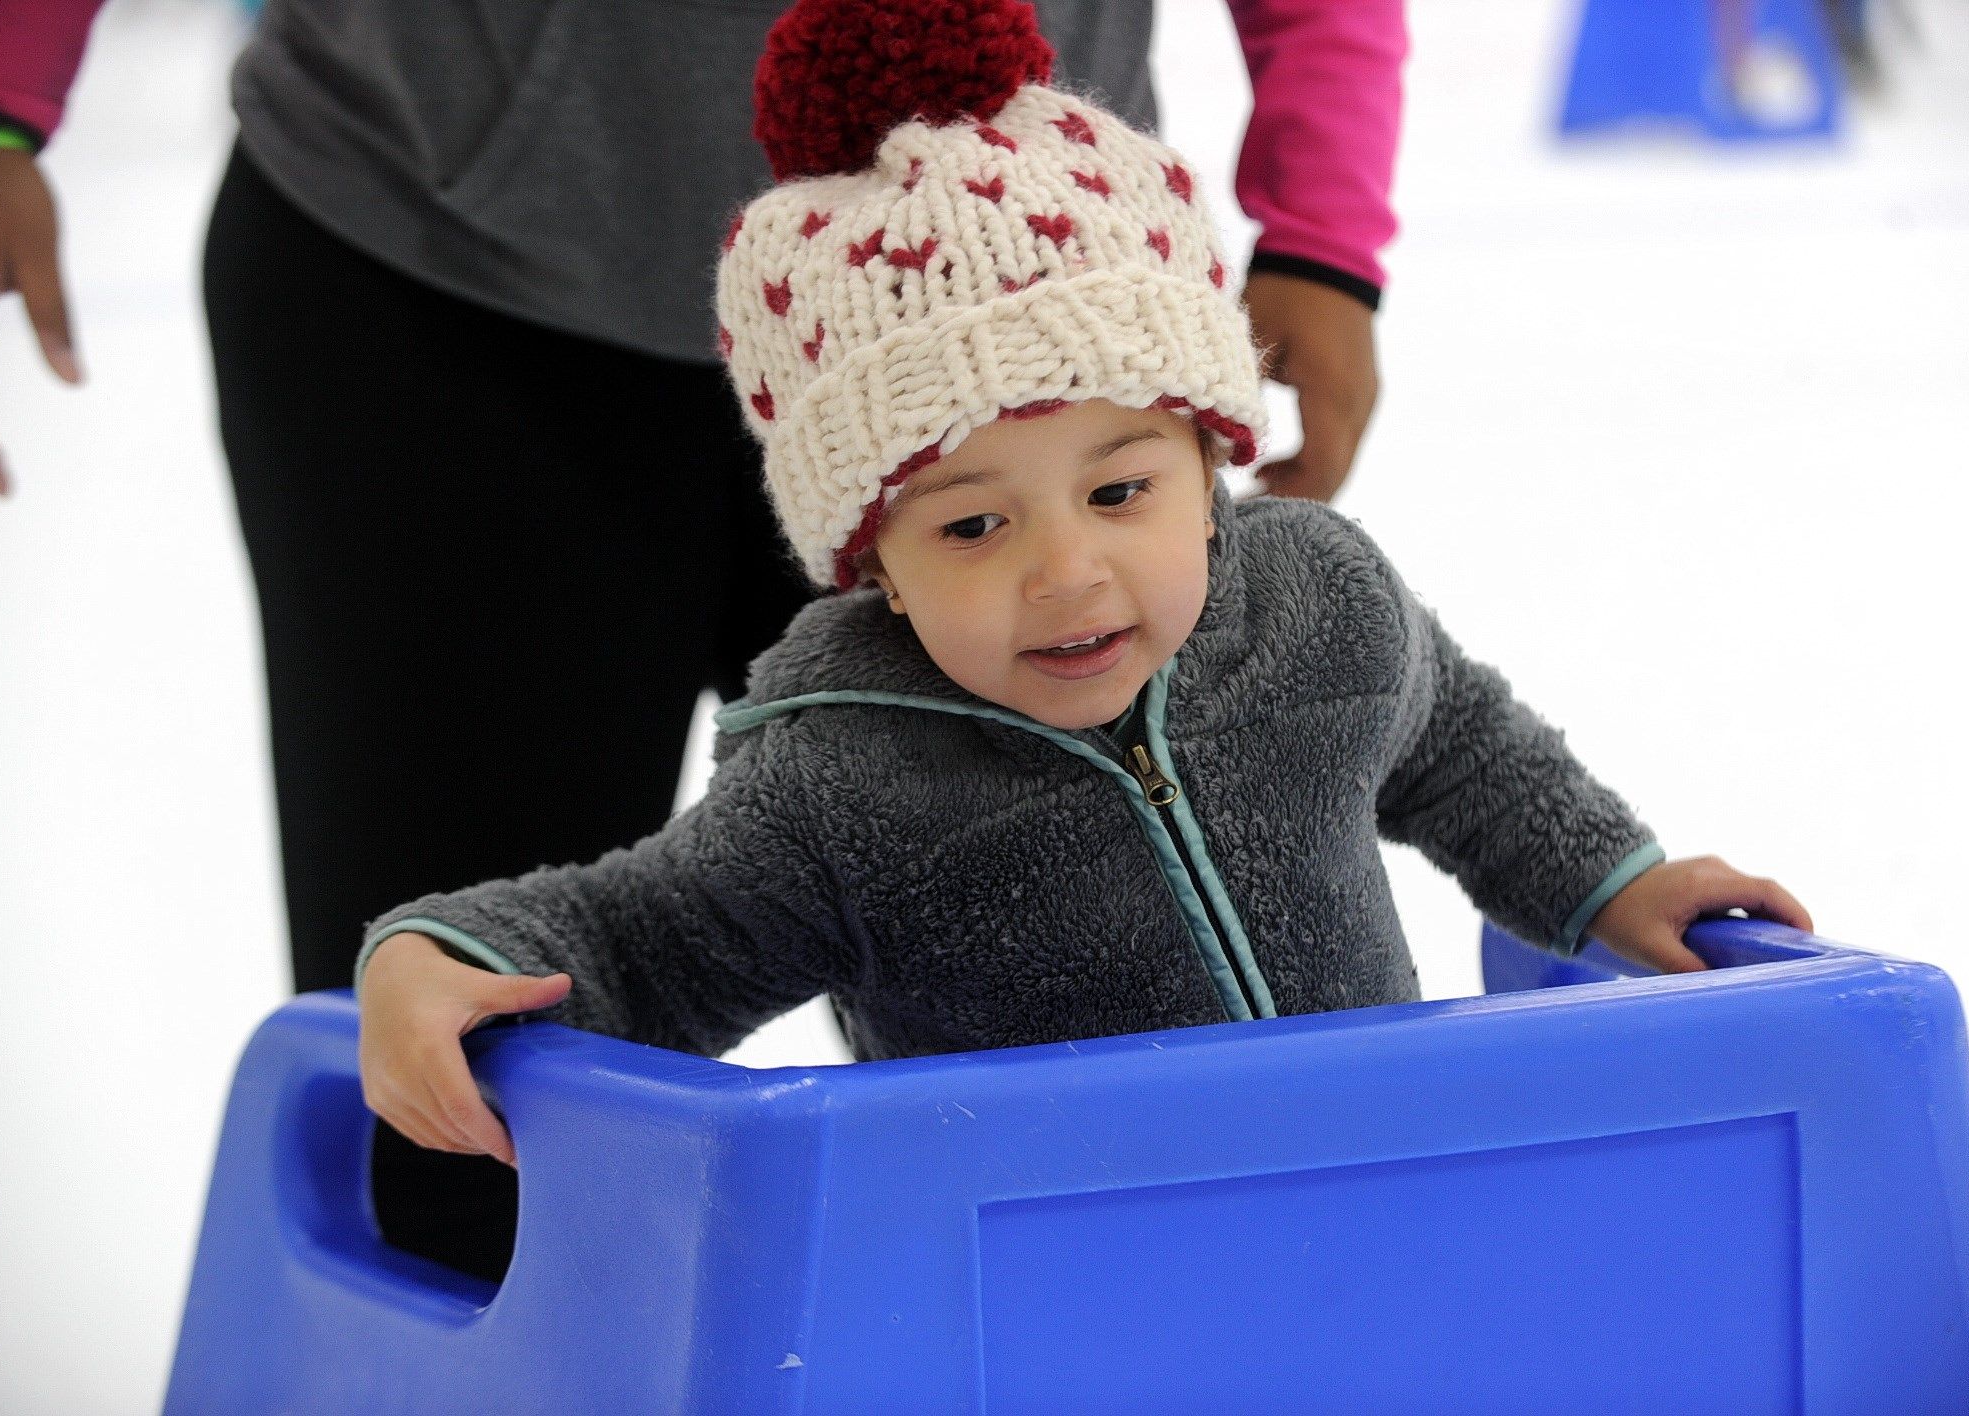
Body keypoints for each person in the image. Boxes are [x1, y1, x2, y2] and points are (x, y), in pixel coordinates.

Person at [0, 0, 1405, 1278]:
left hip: (1015, 319)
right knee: (470, 1117)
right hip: (448, 290)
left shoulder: (1230, 570)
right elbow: (603, 955)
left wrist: (1326, 235)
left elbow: (1451, 740)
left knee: (1118, 1118)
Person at [357, 0, 1813, 1174]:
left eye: (1122, 491)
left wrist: (1620, 883)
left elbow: (1465, 755)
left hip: (1380, 1226)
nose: (1066, 572)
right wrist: (439, 954)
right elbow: (643, 938)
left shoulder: (1318, 608)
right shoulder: (842, 781)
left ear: (1210, 452)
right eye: (972, 528)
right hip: (1039, 1313)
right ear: (880, 566)